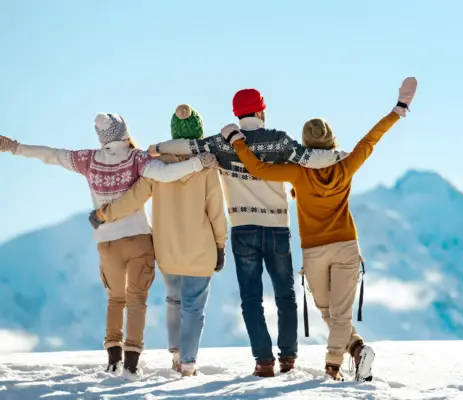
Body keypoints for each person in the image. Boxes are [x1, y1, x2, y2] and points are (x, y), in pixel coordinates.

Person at [221, 77, 418, 381]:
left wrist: (236, 141)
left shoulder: (298, 173)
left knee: (329, 312)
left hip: (314, 252)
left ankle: (333, 367)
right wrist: (399, 109)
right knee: (336, 314)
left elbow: (258, 169)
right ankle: (356, 350)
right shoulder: (346, 165)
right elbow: (371, 139)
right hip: (347, 246)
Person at [147, 89, 348, 377]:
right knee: (285, 296)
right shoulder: (278, 140)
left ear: (237, 115)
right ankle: (288, 359)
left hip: (243, 229)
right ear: (262, 112)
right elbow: (310, 158)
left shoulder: (220, 143)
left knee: (251, 298)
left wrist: (157, 147)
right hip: (277, 228)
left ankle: (263, 362)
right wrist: (343, 156)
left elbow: (187, 145)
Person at [0, 113, 216, 375]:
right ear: (124, 130)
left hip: (108, 243)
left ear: (102, 137)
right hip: (138, 239)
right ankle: (132, 364)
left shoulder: (88, 160)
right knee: (137, 302)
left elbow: (52, 154)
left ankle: (114, 359)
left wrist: (15, 147)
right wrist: (198, 164)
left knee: (115, 300)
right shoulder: (137, 159)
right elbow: (167, 174)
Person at [88, 105, 227, 377]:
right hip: (201, 250)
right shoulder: (207, 167)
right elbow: (216, 212)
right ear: (197, 134)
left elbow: (133, 198)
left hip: (167, 250)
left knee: (174, 300)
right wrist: (220, 245)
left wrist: (105, 213)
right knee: (194, 307)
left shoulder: (157, 166)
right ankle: (188, 363)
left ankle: (176, 354)